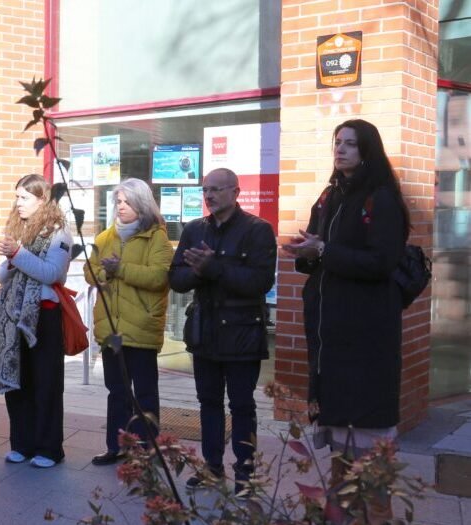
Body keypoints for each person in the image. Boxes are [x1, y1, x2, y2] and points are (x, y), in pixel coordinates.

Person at [282, 119, 407, 488]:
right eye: (337, 142)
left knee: (367, 425)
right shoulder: (329, 195)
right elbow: (318, 248)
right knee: (338, 426)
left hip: (366, 329)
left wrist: (323, 250)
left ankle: (373, 520)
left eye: (350, 144)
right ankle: (341, 511)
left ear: (367, 149)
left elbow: (381, 262)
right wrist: (307, 252)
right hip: (330, 328)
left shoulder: (381, 198)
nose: (340, 149)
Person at [169, 167, 276, 493]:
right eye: (206, 190)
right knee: (208, 403)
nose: (210, 195)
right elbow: (175, 278)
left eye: (216, 189)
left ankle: (246, 476)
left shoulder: (257, 230)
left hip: (242, 331)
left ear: (235, 191)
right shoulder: (194, 230)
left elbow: (260, 282)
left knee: (242, 406)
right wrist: (201, 272)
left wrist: (213, 268)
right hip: (206, 330)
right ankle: (212, 469)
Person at [0, 174, 73, 469]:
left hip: (43, 315)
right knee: (16, 381)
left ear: (42, 199)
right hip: (13, 315)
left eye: (25, 197)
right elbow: (0, 276)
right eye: (17, 196)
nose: (18, 203)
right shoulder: (18, 231)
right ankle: (22, 443)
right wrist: (11, 259)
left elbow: (51, 274)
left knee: (45, 383)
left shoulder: (59, 233)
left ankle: (49, 448)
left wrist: (18, 255)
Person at [84, 178, 173, 466]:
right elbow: (90, 271)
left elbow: (159, 277)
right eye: (118, 202)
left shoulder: (156, 236)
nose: (121, 207)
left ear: (142, 203)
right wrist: (106, 273)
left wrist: (120, 269)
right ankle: (117, 446)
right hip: (111, 327)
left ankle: (147, 450)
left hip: (142, 326)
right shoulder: (105, 237)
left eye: (127, 201)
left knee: (145, 393)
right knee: (117, 392)